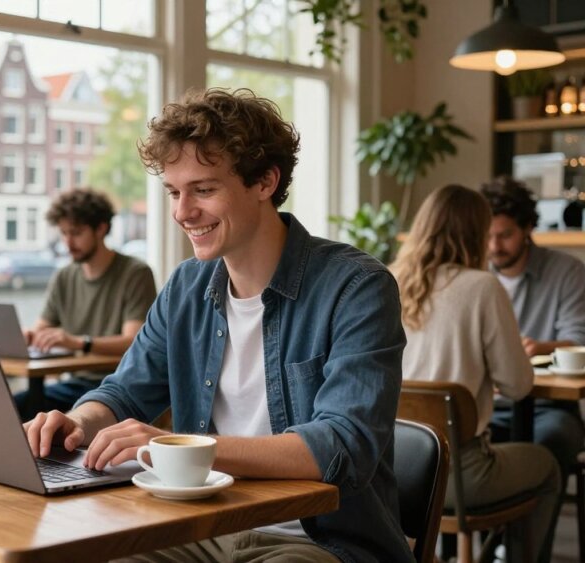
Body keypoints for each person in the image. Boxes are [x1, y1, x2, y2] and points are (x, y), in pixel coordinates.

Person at [25, 88, 412, 562]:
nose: (182, 212)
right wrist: (76, 424)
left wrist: (182, 447)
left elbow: (343, 447)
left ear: (265, 181)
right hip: (201, 524)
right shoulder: (187, 286)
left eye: (203, 190)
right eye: (174, 191)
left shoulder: (356, 287)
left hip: (317, 541)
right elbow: (124, 393)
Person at [391, 184, 561, 563]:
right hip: (457, 477)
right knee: (547, 466)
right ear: (476, 232)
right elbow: (518, 386)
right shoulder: (482, 286)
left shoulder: (389, 279)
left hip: (392, 472)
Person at [14, 188, 156, 420]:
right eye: (63, 233)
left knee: (54, 420)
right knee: (9, 408)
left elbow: (133, 341)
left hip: (119, 386)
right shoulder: (64, 276)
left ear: (101, 228)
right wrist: (28, 336)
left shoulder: (135, 273)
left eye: (76, 233)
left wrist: (79, 343)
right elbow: (41, 329)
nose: (68, 242)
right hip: (75, 383)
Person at [480, 177, 585, 481]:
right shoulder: (476, 276)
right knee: (450, 444)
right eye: (487, 236)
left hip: (549, 407)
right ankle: (493, 527)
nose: (494, 247)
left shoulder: (566, 272)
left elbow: (578, 340)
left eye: (505, 235)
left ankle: (525, 531)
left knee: (549, 445)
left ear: (527, 228)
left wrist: (539, 348)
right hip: (488, 406)